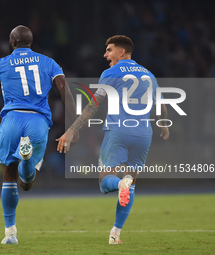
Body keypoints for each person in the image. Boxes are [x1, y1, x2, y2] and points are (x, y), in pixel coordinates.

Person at [56, 35, 169, 244]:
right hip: (144, 135)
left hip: (118, 131)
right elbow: (161, 102)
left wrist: (72, 129)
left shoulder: (110, 73)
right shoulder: (149, 74)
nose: (105, 54)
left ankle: (119, 185)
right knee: (131, 183)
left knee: (105, 182)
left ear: (122, 52)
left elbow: (94, 105)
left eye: (109, 50)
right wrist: (163, 124)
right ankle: (115, 233)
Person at [0, 25, 76, 244]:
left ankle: (10, 234)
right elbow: (64, 89)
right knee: (26, 183)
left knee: (8, 174)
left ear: (12, 42)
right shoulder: (48, 62)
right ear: (31, 42)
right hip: (36, 121)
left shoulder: (2, 62)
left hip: (11, 120)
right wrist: (73, 125)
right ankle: (26, 162)